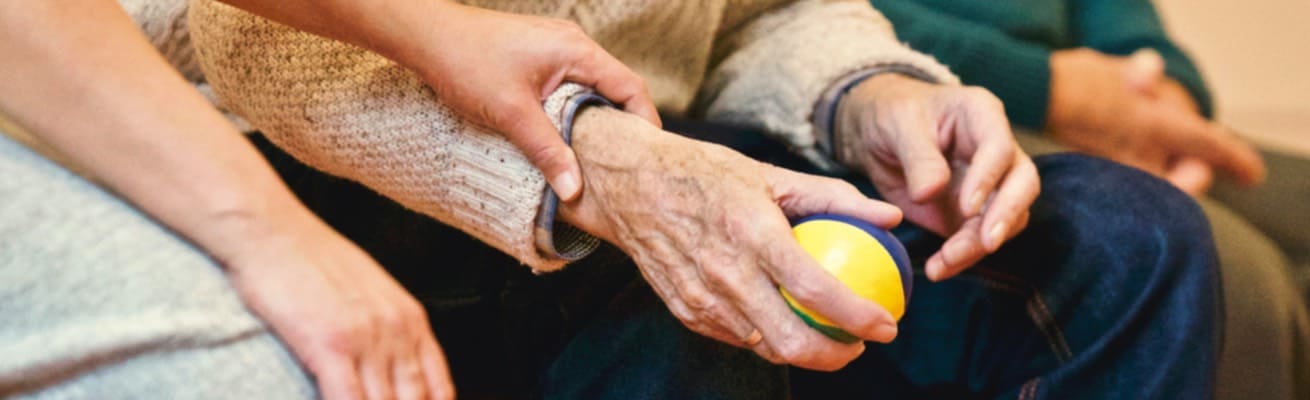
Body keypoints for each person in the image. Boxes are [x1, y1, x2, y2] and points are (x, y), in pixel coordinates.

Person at [1, 1, 1218, 400]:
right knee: (703, 334)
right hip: (382, 181)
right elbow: (217, 33)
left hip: (670, 139)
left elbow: (750, 11)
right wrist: (592, 164)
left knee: (1131, 244)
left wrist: (872, 95)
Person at [859, 0, 1309, 398]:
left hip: (1104, 94)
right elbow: (808, 19)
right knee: (1230, 269)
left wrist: (1169, 95)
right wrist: (1049, 89)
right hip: (927, 98)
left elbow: (1127, 24)